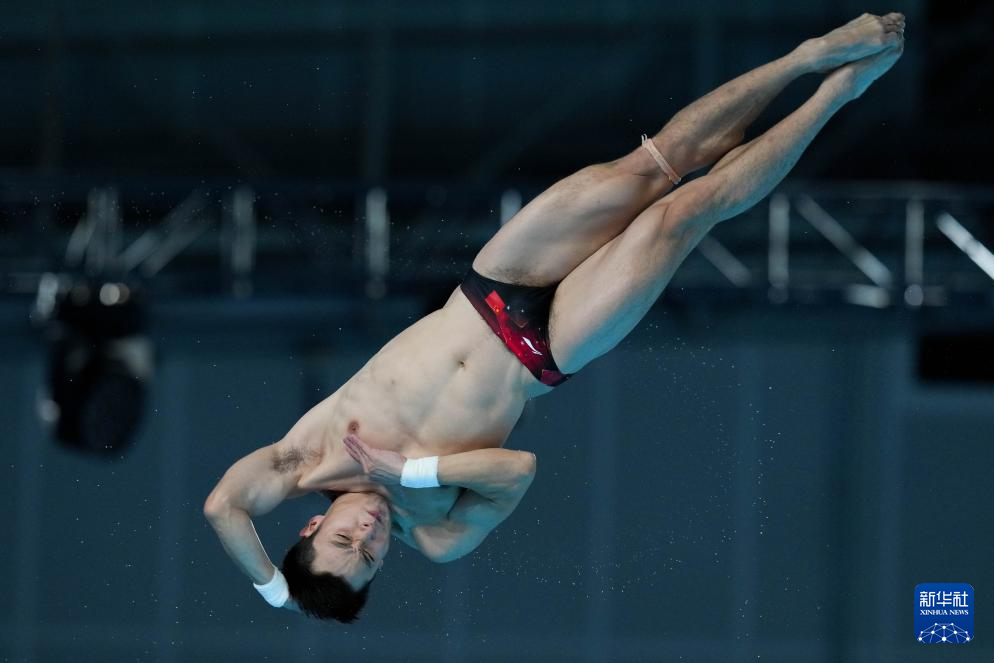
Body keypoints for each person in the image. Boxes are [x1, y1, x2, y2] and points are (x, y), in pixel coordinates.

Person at [203, 12, 905, 623]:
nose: (368, 535)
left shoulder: (306, 457)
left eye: (344, 539)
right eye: (371, 557)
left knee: (654, 165)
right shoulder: (437, 533)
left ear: (312, 524)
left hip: (492, 286)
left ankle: (808, 57)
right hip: (549, 348)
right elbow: (517, 469)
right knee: (685, 213)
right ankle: (838, 92)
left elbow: (222, 508)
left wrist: (278, 593)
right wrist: (409, 471)